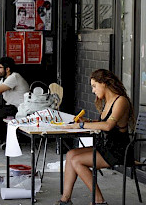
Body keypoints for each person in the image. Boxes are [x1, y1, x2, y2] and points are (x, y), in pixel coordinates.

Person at [56, 69, 134, 205]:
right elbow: (103, 124)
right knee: (70, 154)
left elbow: (108, 126)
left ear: (104, 83)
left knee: (77, 161)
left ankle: (99, 201)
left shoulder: (121, 101)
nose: (93, 90)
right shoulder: (107, 101)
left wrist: (81, 126)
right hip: (105, 147)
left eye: (94, 86)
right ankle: (65, 199)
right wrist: (86, 121)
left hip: (117, 150)